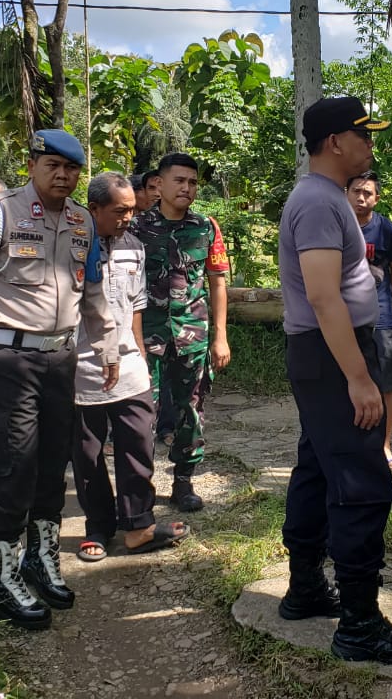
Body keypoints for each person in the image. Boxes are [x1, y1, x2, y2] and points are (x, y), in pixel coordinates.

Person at [0, 128, 119, 630]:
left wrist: (107, 346)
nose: (63, 175)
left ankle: (39, 559)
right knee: (8, 467)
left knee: (51, 466)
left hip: (60, 362)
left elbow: (94, 292)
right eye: (52, 165)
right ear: (32, 164)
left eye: (72, 168)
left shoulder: (83, 222)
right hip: (8, 361)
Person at [277, 96, 392, 665]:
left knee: (317, 468)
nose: (371, 143)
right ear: (335, 142)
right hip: (331, 355)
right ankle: (361, 626)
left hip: (325, 354)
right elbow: (322, 295)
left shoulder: (325, 198)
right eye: (363, 134)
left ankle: (306, 589)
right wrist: (361, 378)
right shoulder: (319, 202)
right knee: (362, 484)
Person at [73, 172, 191, 561]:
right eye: (118, 211)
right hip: (81, 368)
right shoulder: (70, 246)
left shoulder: (134, 247)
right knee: (88, 456)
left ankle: (138, 524)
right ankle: (98, 528)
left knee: (138, 444)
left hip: (128, 366)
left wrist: (138, 355)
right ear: (94, 209)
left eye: (129, 209)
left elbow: (136, 307)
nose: (127, 217)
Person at [132, 152, 230, 513]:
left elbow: (217, 283)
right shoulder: (135, 227)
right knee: (143, 411)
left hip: (193, 334)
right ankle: (138, 485)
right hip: (147, 337)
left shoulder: (206, 227)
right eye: (179, 180)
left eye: (192, 182)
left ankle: (183, 481)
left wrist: (220, 337)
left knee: (191, 409)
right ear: (159, 184)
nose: (187, 188)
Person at [346, 171, 392, 465]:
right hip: (342, 319)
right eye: (356, 191)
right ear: (346, 193)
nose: (361, 197)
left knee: (385, 383)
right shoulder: (337, 226)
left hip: (381, 319)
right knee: (342, 379)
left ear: (377, 198)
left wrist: (387, 296)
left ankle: (383, 444)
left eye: (367, 193)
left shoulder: (389, 231)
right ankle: (348, 442)